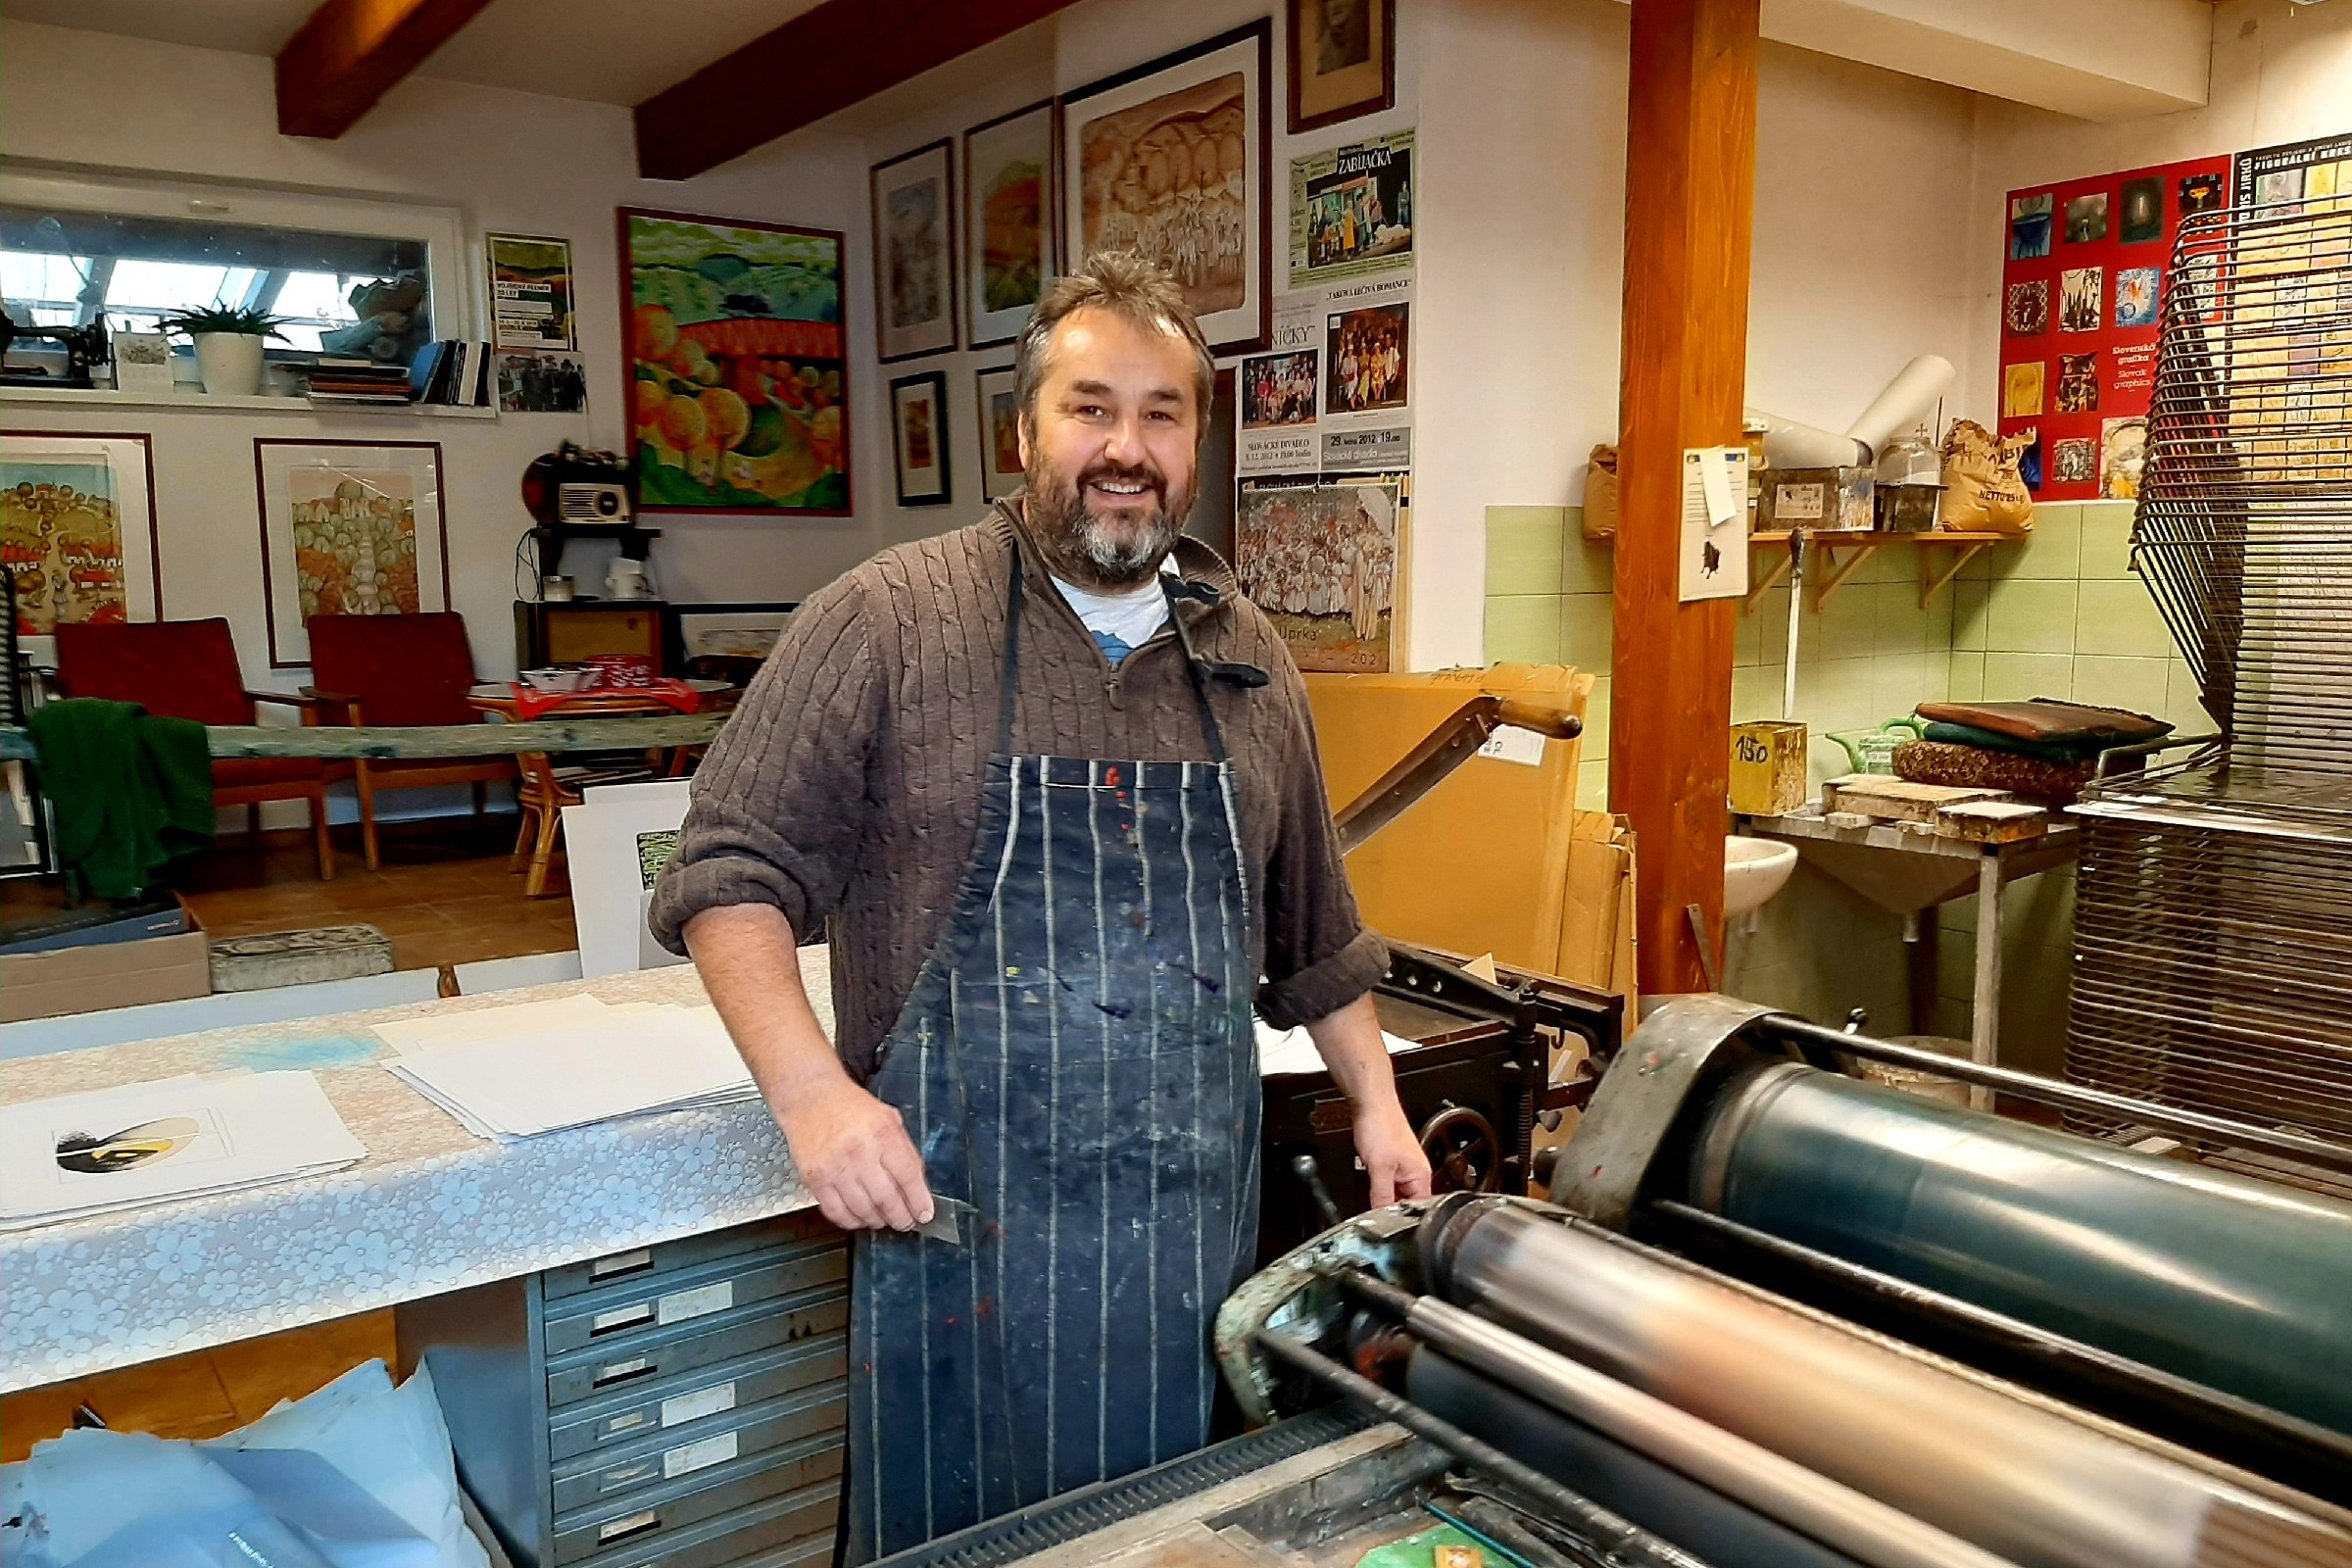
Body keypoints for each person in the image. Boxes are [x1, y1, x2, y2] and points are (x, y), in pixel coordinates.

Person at [650, 252, 1432, 1564]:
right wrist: (812, 1098)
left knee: (1163, 1536)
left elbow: (1312, 921)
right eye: (1090, 408)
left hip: (1182, 1237)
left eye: (1161, 414)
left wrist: (1378, 1101)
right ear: (1024, 433)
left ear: (1195, 447)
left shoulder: (1245, 653)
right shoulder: (887, 620)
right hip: (962, 1232)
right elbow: (731, 869)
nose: (1126, 448)